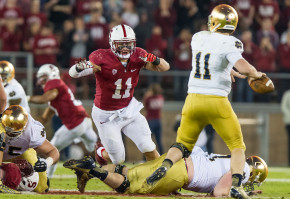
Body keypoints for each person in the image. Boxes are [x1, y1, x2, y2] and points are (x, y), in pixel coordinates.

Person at [145, 4, 265, 199]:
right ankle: (235, 185)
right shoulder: (231, 43)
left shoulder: (198, 38)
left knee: (182, 145)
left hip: (192, 99)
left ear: (214, 21)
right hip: (216, 101)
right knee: (237, 146)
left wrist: (229, 71)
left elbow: (211, 61)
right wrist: (255, 73)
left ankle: (164, 166)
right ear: (232, 23)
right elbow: (242, 65)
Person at [69, 24, 170, 165]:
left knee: (148, 146)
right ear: (112, 44)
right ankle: (100, 151)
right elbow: (73, 73)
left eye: (128, 44)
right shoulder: (101, 57)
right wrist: (79, 67)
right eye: (121, 44)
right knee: (118, 159)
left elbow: (165, 67)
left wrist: (156, 60)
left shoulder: (138, 55)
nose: (125, 48)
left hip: (128, 109)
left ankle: (163, 181)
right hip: (106, 114)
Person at [63, 146, 268, 197]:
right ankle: (92, 170)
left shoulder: (229, 158)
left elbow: (195, 151)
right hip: (180, 175)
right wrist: (243, 193)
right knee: (128, 187)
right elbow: (218, 193)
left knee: (128, 172)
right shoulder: (243, 171)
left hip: (174, 163)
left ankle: (89, 168)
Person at [27, 64, 98, 178]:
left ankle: (46, 177)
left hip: (75, 123)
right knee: (93, 145)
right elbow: (44, 118)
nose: (41, 81)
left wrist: (28, 98)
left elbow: (45, 98)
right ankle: (102, 163)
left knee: (52, 149)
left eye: (44, 77)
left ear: (51, 75)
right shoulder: (57, 94)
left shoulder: (54, 85)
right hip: (84, 121)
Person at [0, 105, 60, 193]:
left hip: (21, 153)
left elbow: (53, 151)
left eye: (13, 133)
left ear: (24, 128)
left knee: (41, 187)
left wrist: (46, 163)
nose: (8, 135)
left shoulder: (31, 131)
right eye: (7, 130)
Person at [143, 83, 164, 154]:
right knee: (159, 141)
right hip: (158, 120)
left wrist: (146, 96)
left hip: (150, 120)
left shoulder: (149, 98)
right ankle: (161, 156)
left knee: (147, 140)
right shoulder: (161, 97)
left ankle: (145, 158)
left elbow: (145, 107)